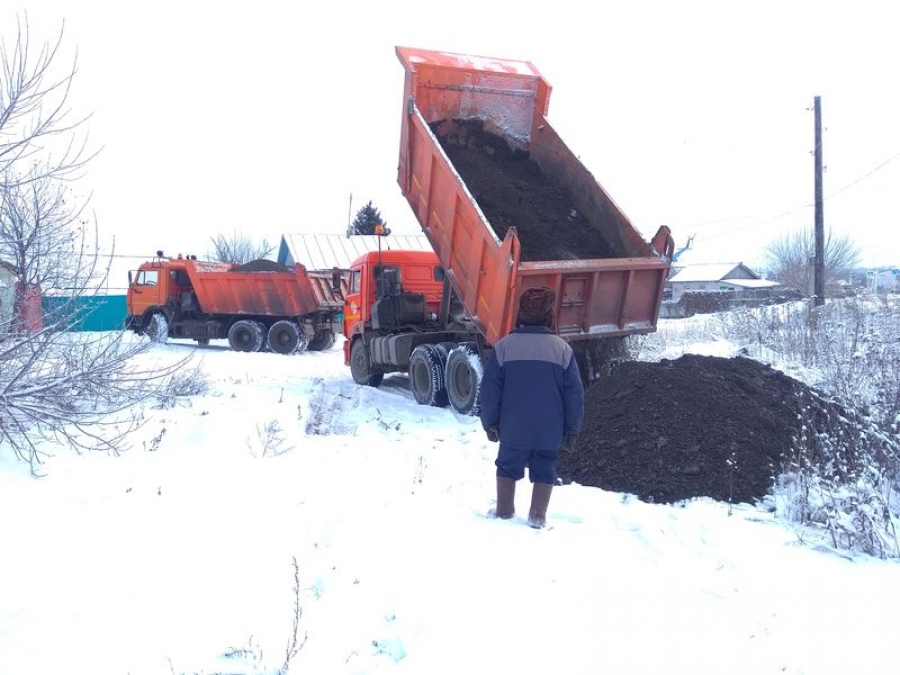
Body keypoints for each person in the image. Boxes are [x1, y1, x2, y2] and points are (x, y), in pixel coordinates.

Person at [478, 286, 585, 528]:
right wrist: (572, 429)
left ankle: (504, 511)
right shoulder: (563, 350)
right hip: (549, 429)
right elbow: (574, 396)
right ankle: (537, 517)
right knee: (545, 468)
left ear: (521, 314)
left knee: (507, 466)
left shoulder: (504, 347)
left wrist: (490, 422)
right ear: (549, 315)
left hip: (512, 427)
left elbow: (489, 391)